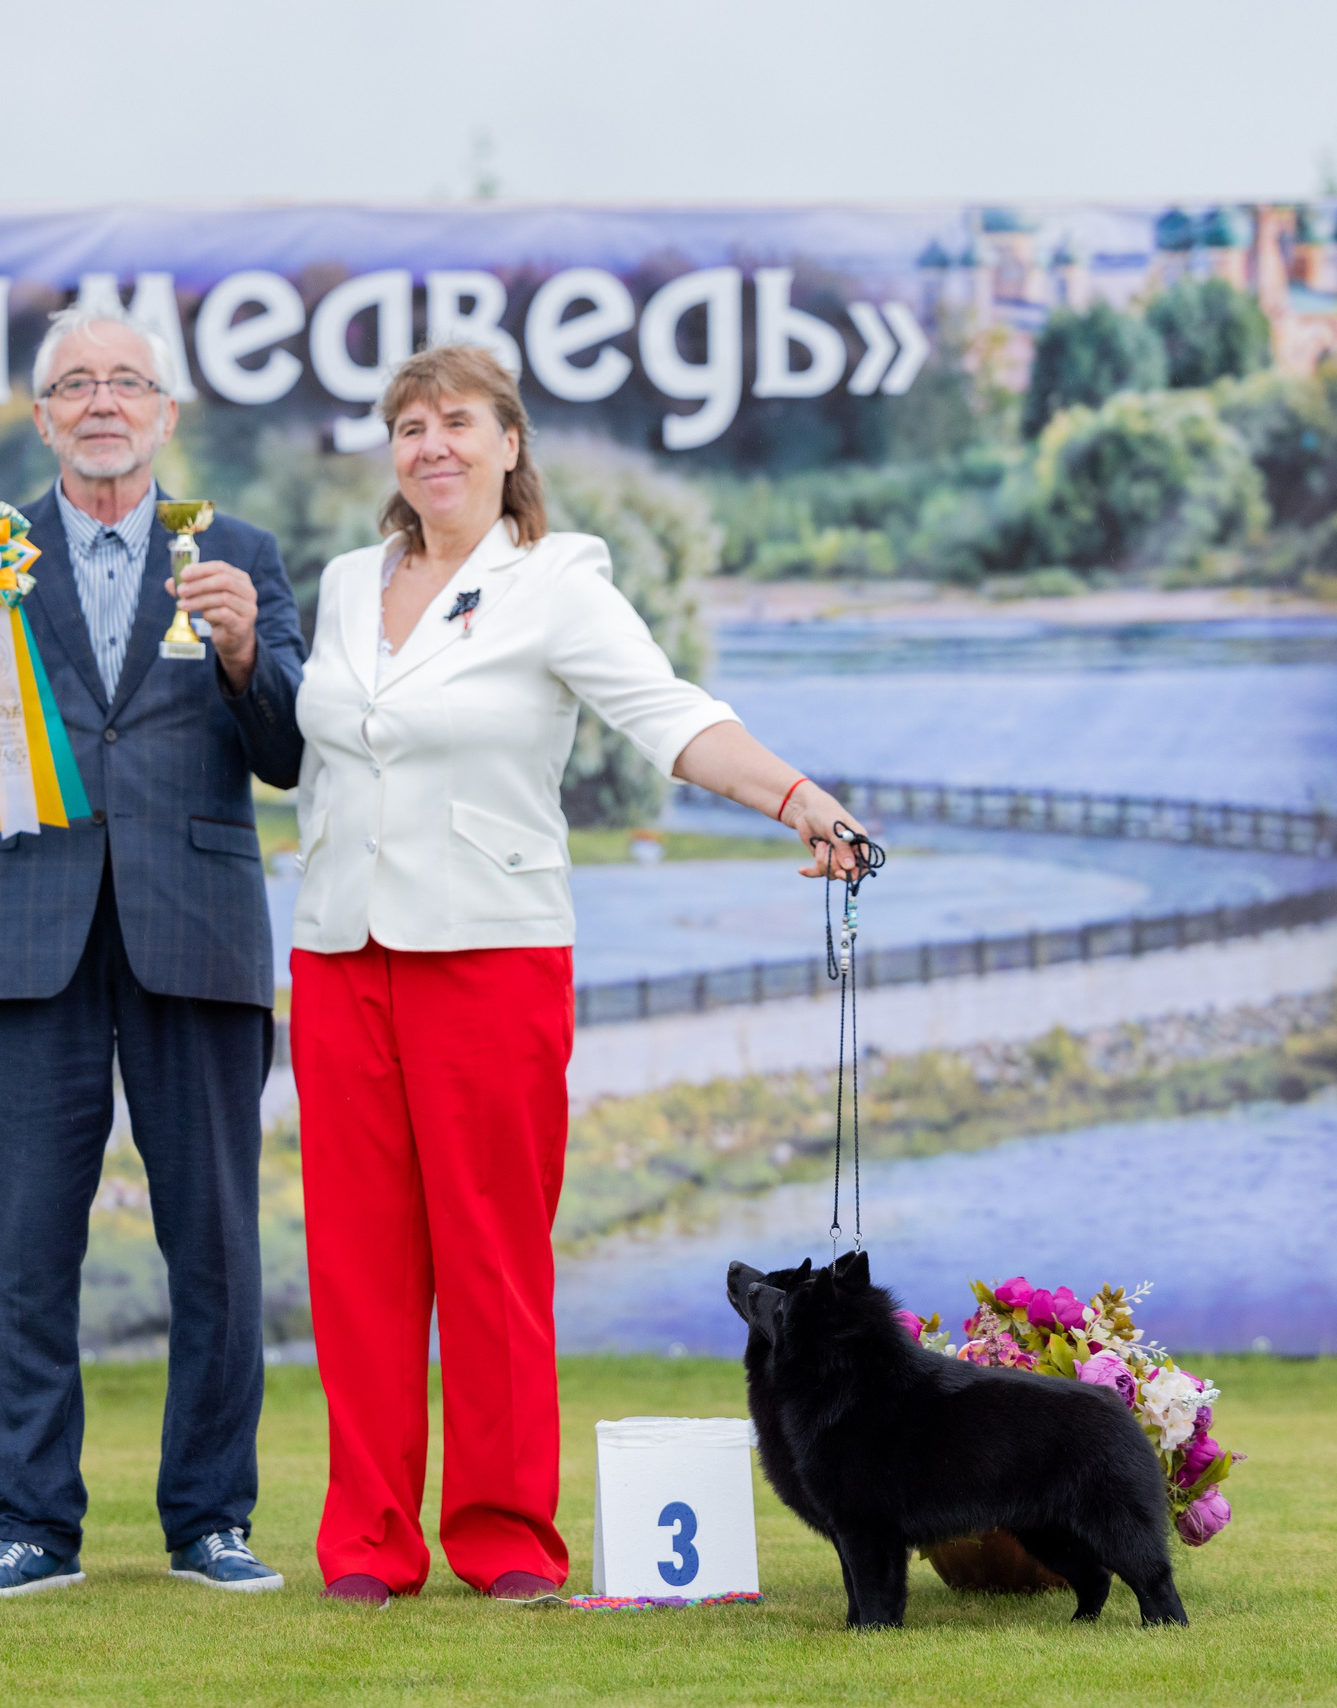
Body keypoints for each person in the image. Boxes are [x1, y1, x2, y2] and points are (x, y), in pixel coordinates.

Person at [288, 344, 870, 1606]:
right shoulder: (343, 583)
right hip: (339, 958)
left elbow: (666, 714)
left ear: (509, 443)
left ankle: (503, 1538)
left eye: (457, 422)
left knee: (491, 1258)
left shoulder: (557, 579)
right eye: (409, 425)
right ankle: (368, 1543)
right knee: (355, 1266)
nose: (431, 444)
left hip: (489, 958)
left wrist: (796, 798)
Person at [0, 300, 304, 1599]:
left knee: (213, 1243)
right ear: (42, 417)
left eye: (128, 382)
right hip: (23, 937)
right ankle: (31, 1528)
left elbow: (292, 752)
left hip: (196, 935)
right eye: (75, 384)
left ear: (164, 412)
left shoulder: (241, 552)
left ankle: (212, 1520)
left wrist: (251, 649)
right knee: (29, 1247)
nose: (104, 402)